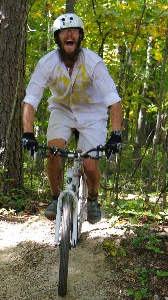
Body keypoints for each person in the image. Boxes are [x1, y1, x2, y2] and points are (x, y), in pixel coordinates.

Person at [22, 13, 123, 223]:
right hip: (62, 110)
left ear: (80, 36)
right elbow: (30, 100)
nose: (69, 34)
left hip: (93, 114)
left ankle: (93, 199)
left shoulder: (94, 63)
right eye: (64, 32)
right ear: (57, 38)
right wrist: (28, 134)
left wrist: (116, 135)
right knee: (53, 153)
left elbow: (114, 100)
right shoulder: (46, 63)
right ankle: (55, 196)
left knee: (91, 165)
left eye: (74, 31)